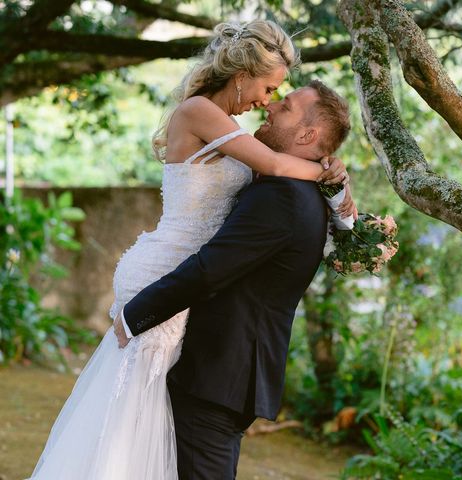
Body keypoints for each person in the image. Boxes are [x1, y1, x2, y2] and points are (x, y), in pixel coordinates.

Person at [29, 20, 353, 480]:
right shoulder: (200, 111)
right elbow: (277, 165)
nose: (268, 101)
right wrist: (328, 173)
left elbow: (270, 180)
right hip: (166, 270)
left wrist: (333, 179)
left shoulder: (235, 132)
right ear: (242, 74)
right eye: (269, 89)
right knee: (132, 418)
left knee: (150, 421)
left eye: (278, 97)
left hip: (186, 283)